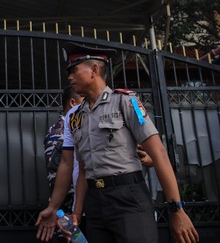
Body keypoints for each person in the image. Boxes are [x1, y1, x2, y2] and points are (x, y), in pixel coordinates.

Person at [36, 43, 198, 243]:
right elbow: (83, 169)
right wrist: (76, 212)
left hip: (128, 198)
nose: (69, 77)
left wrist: (176, 208)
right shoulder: (76, 118)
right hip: (95, 203)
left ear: (94, 70)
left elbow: (159, 153)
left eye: (74, 70)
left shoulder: (126, 102)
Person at [44, 85, 83, 214]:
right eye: (84, 100)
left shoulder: (80, 126)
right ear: (73, 103)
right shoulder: (59, 132)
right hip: (69, 204)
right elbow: (56, 174)